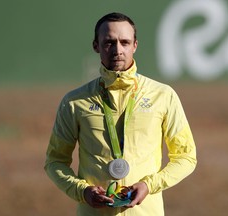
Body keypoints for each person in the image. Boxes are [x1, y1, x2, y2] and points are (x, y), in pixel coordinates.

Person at [44, 12, 197, 216]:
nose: (117, 50)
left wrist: (149, 185)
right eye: (109, 42)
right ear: (96, 46)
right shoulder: (74, 101)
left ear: (135, 45)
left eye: (124, 42)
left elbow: (186, 157)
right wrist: (82, 191)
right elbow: (55, 161)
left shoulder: (163, 95)